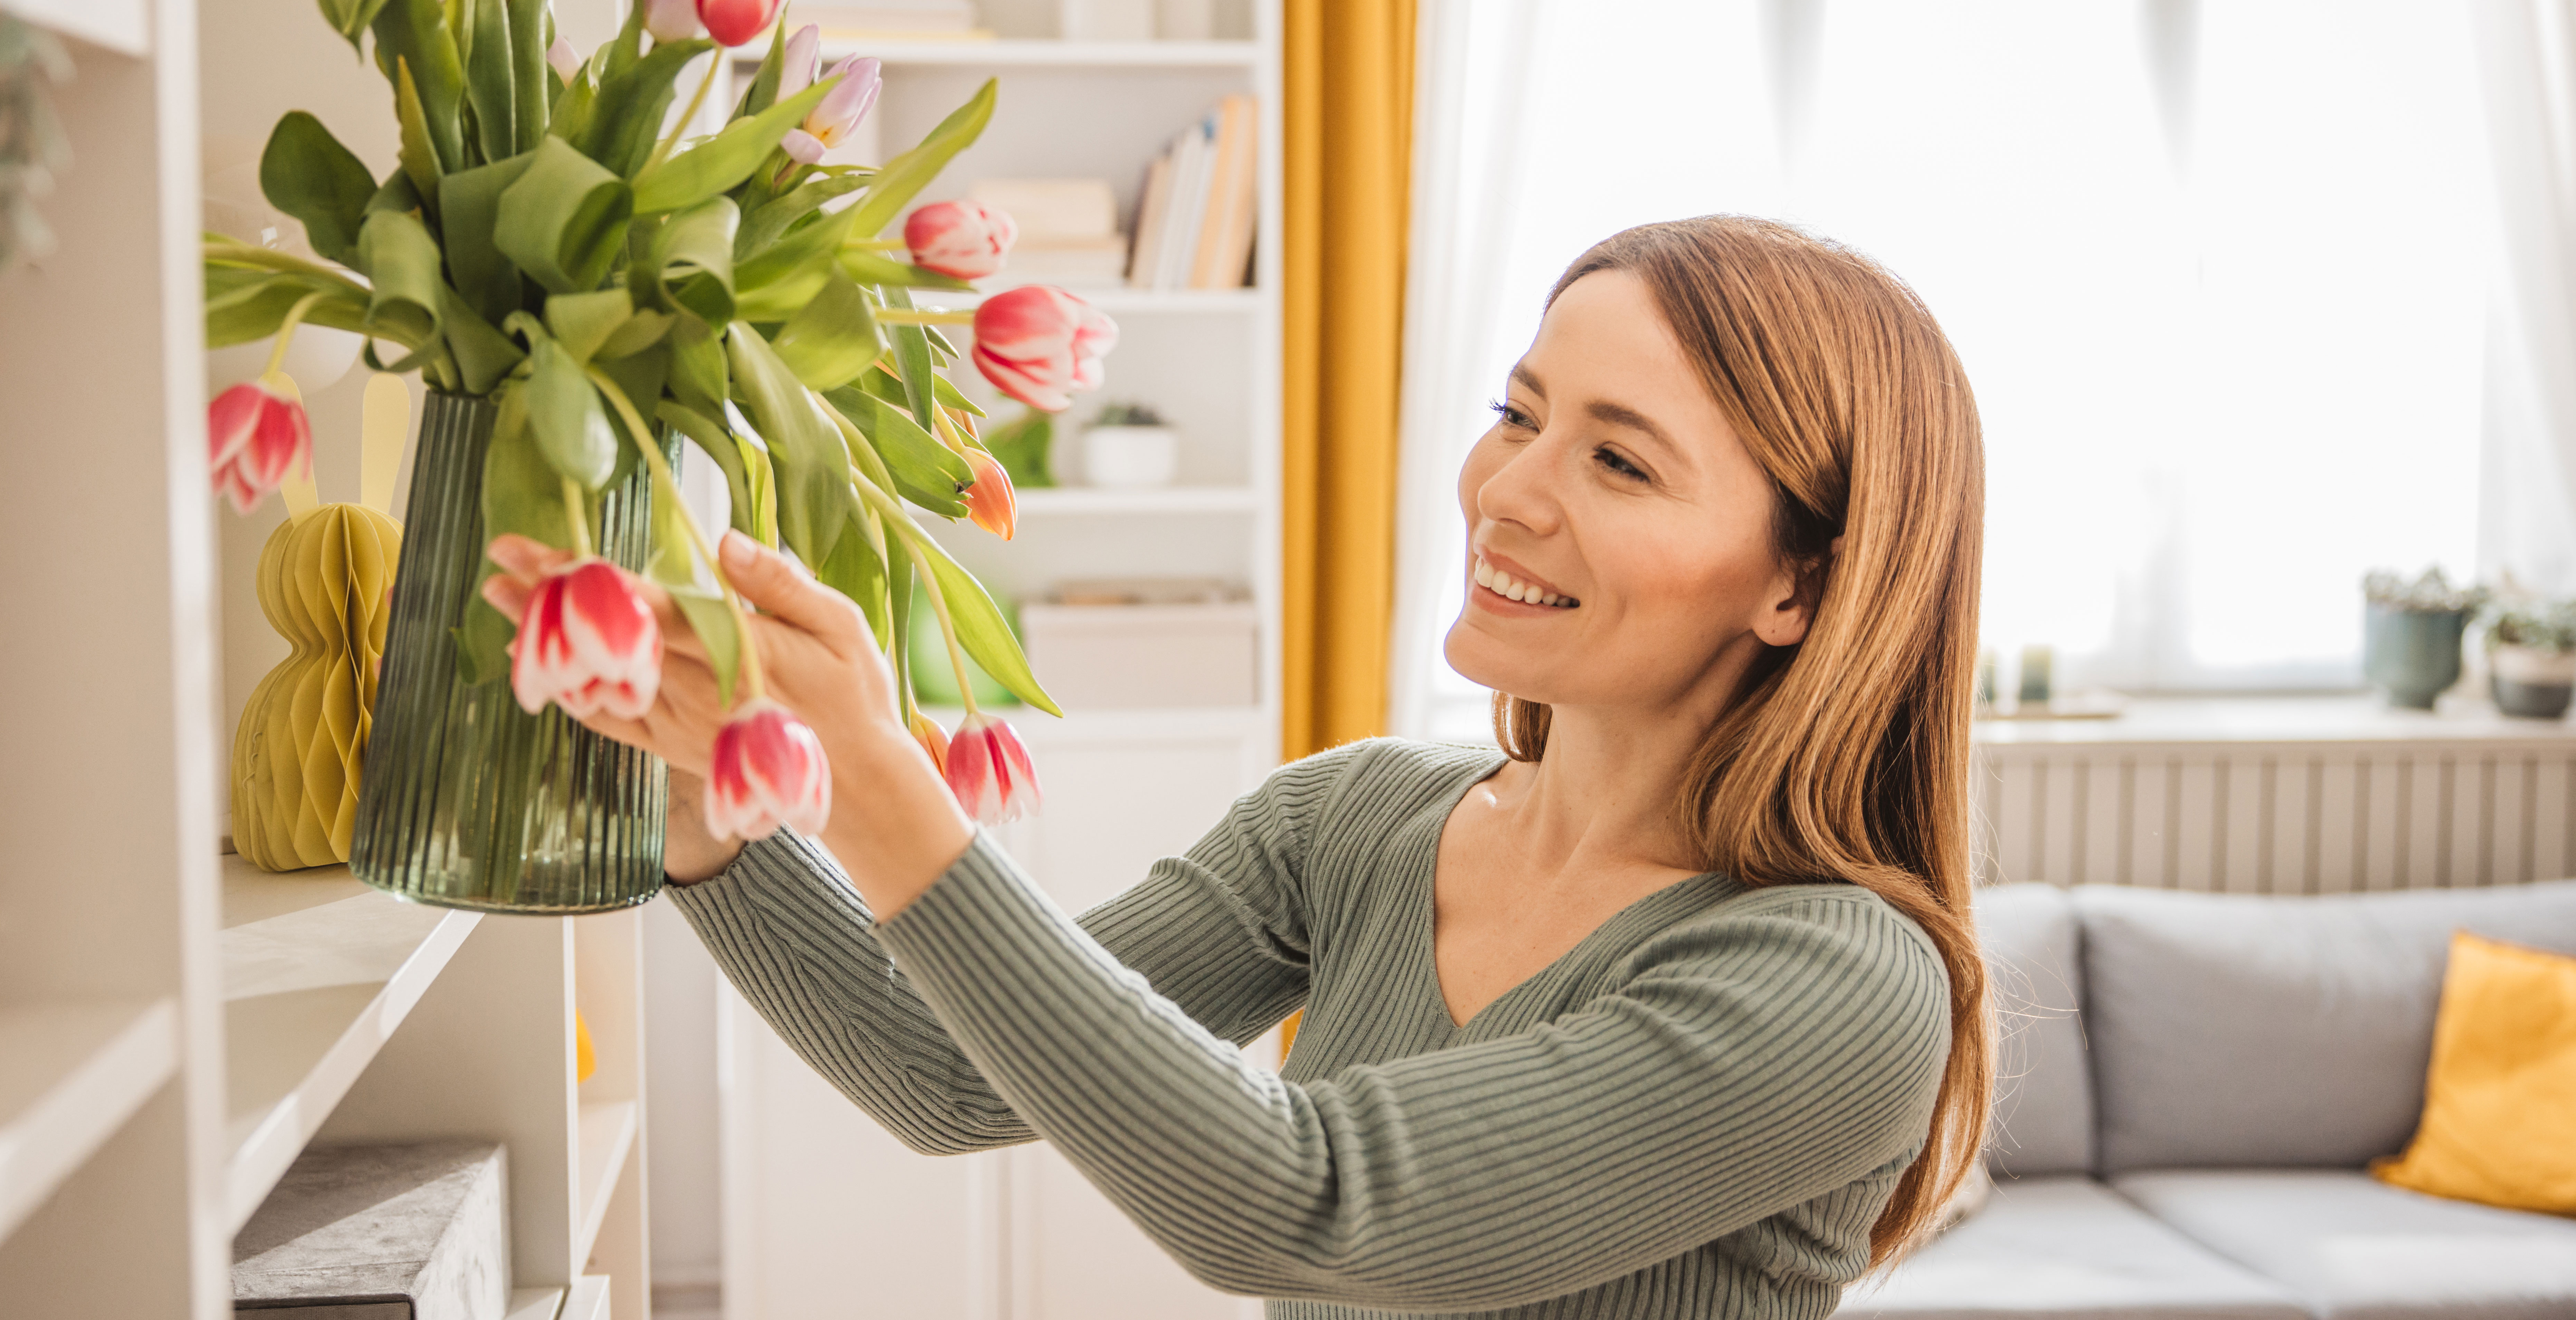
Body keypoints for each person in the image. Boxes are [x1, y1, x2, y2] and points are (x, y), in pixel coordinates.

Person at [484, 215, 1992, 1318]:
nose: (1506, 492)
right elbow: (946, 1072)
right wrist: (709, 825)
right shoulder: (1355, 821)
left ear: (1798, 586)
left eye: (1619, 459)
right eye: (1517, 415)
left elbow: (1312, 1205)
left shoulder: (1839, 979)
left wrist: (881, 785)